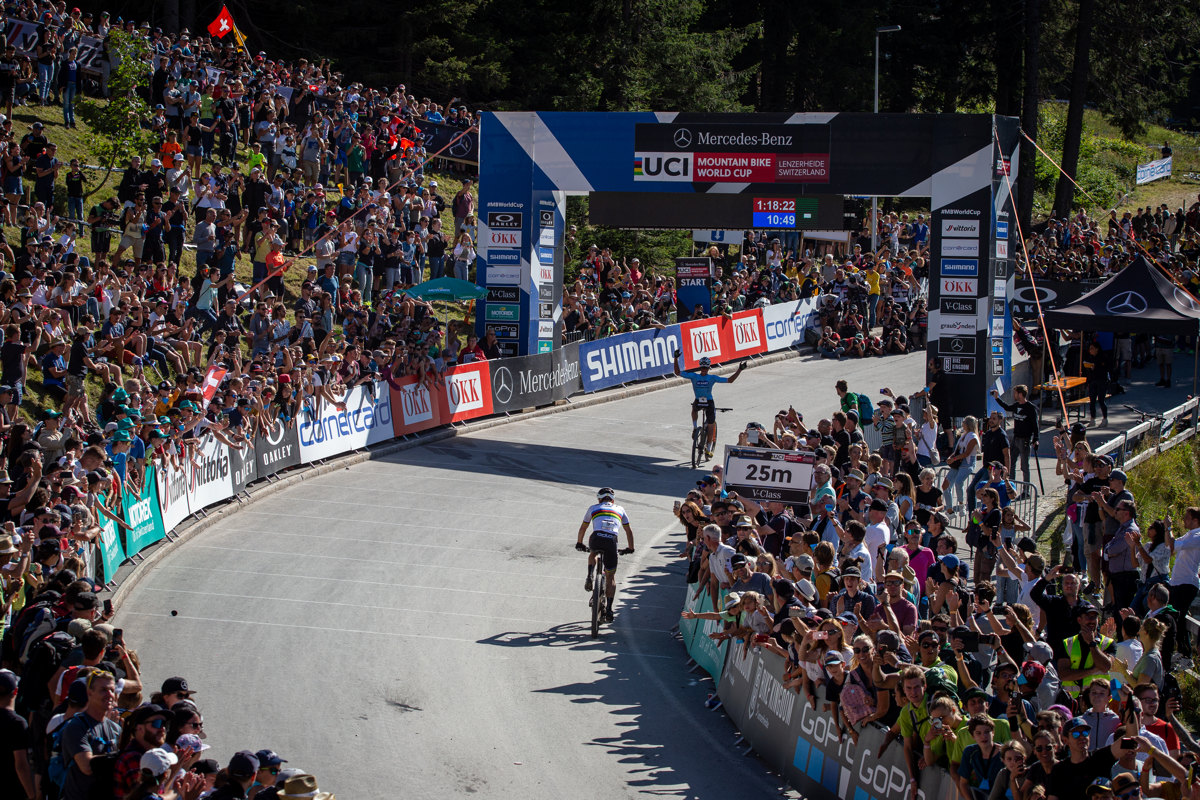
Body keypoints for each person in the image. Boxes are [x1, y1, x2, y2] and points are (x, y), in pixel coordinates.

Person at [575, 488, 635, 622]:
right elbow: (628, 531)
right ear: (612, 500)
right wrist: (630, 548)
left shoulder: (593, 508)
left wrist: (579, 543)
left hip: (596, 538)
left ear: (599, 499)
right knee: (610, 577)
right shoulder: (620, 509)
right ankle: (609, 609)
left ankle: (590, 575)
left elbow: (583, 527)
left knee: (593, 553)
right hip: (611, 541)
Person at [672, 353, 746, 459]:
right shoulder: (711, 377)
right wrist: (740, 369)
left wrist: (675, 358)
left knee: (695, 409)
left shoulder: (694, 376)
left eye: (704, 368)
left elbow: (677, 372)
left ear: (705, 367)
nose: (704, 369)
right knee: (710, 424)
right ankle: (707, 446)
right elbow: (730, 380)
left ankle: (697, 429)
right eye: (703, 368)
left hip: (699, 401)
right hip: (709, 402)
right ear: (706, 367)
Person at [0, 669, 33, 800]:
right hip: (12, 789)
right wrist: (32, 793)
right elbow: (20, 764)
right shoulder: (17, 723)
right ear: (15, 692)